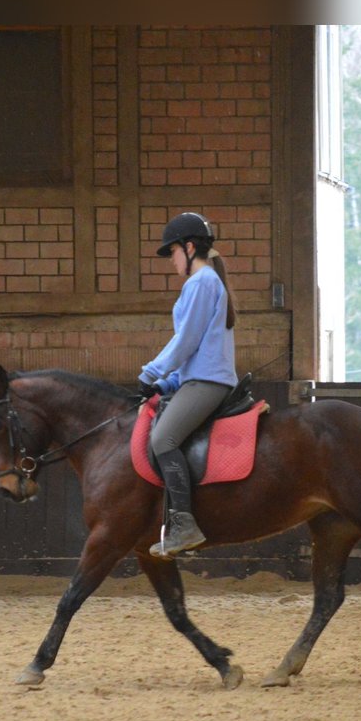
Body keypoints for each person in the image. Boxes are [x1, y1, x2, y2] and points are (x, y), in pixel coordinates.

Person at [138, 212, 239, 559]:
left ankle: (184, 524)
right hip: (198, 378)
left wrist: (150, 374)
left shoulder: (201, 282)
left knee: (163, 438)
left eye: (174, 253)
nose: (173, 262)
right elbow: (193, 350)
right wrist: (165, 383)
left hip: (208, 382)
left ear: (190, 247)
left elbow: (186, 342)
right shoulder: (205, 283)